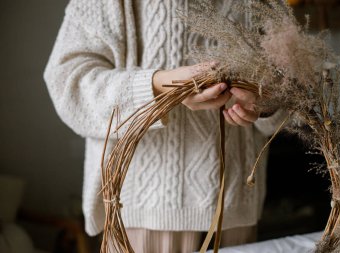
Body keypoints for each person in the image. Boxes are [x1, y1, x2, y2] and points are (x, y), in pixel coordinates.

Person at [44, 0, 285, 252]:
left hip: (236, 213)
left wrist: (265, 105)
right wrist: (164, 86)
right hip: (144, 214)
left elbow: (289, 89)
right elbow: (68, 84)